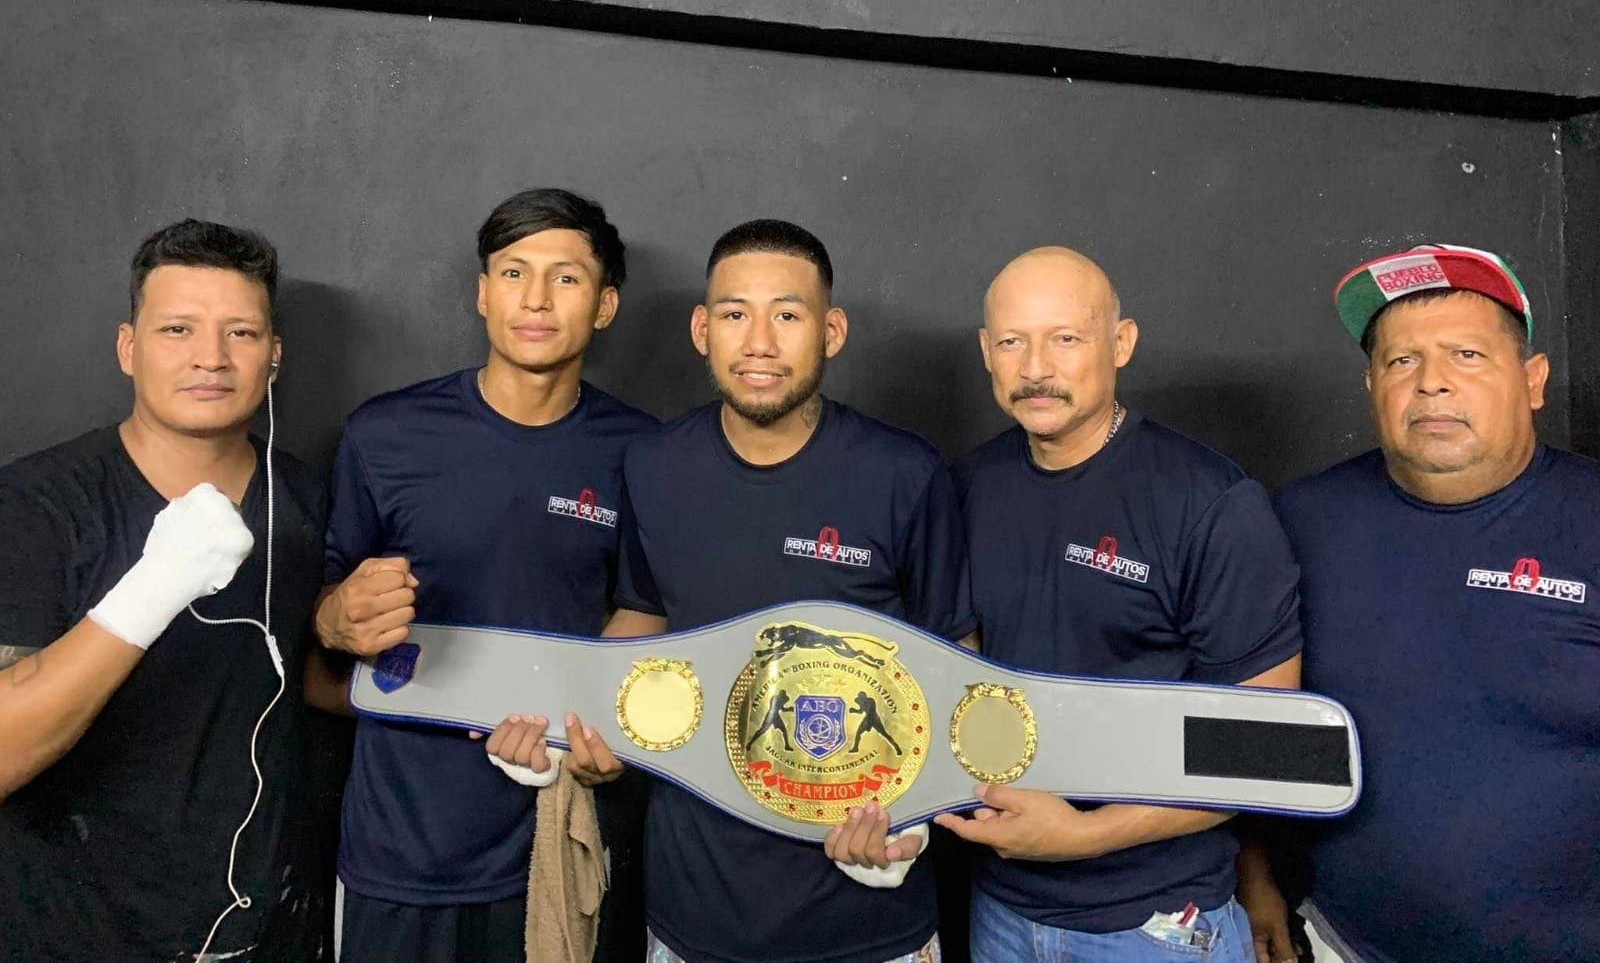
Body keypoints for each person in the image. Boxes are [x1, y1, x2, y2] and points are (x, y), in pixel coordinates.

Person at [595, 219, 977, 963]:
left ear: (831, 331)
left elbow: (959, 667)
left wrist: (918, 817)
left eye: (789, 315)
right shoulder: (654, 466)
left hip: (869, 924)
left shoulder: (904, 474)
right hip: (693, 914)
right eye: (736, 314)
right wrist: (562, 720)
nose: (760, 342)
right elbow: (641, 618)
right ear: (703, 329)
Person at [312, 189, 655, 963]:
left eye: (565, 278)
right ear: (481, 292)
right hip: (401, 848)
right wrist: (335, 617)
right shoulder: (386, 433)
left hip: (554, 842)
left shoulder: (643, 454)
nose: (534, 299)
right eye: (512, 273)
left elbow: (648, 612)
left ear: (605, 305)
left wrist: (595, 728)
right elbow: (319, 628)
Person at [936, 247, 1303, 963]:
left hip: (1157, 925)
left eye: (1066, 338)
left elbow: (1272, 751)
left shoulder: (1210, 503)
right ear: (987, 350)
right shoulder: (968, 485)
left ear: (1122, 343)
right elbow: (958, 677)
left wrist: (1085, 835)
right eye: (1013, 341)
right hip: (1000, 912)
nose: (1036, 365)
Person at [1239, 243, 1599, 963]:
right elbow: (1244, 716)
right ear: (1371, 384)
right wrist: (1252, 879)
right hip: (1343, 942)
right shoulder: (1301, 521)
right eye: (1402, 361)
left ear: (1533, 381)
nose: (1432, 383)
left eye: (1467, 355)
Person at [0, 219, 329, 963]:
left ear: (273, 357)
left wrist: (484, 706)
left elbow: (311, 680)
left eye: (241, 333)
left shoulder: (306, 499)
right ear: (130, 348)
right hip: (73, 933)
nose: (211, 358)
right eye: (178, 328)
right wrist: (154, 586)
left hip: (260, 930)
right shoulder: (35, 505)